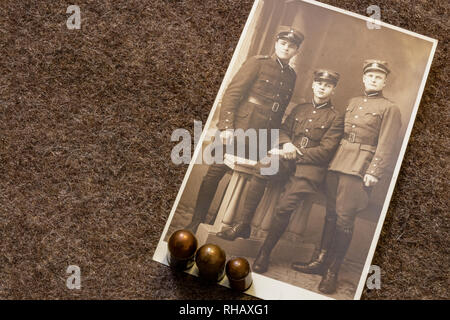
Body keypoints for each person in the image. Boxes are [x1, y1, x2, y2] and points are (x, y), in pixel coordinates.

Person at [292, 60, 402, 295]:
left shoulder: (389, 108)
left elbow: (387, 145)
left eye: (378, 77)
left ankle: (333, 271)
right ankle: (320, 261)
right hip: (337, 163)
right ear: (363, 78)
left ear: (385, 82)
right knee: (330, 215)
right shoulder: (353, 102)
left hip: (358, 167)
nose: (373, 79)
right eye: (370, 75)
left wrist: (374, 171)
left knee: (344, 219)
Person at [185, 27, 304, 234]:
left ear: (296, 51)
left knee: (242, 177)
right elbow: (232, 94)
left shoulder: (291, 76)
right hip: (239, 128)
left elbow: (279, 110)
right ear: (276, 43)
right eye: (283, 43)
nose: (286, 48)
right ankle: (196, 221)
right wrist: (226, 127)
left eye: (291, 46)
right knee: (214, 173)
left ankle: (218, 225)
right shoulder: (257, 63)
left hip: (262, 136)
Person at [249, 70, 345, 274]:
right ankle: (243, 224)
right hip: (287, 158)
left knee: (284, 207)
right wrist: (286, 145)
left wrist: (295, 152)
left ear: (333, 90)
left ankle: (264, 253)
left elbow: (326, 151)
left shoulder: (336, 117)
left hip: (309, 169)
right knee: (262, 168)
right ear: (312, 85)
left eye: (327, 85)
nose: (322, 87)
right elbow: (283, 130)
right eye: (319, 83)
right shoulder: (300, 109)